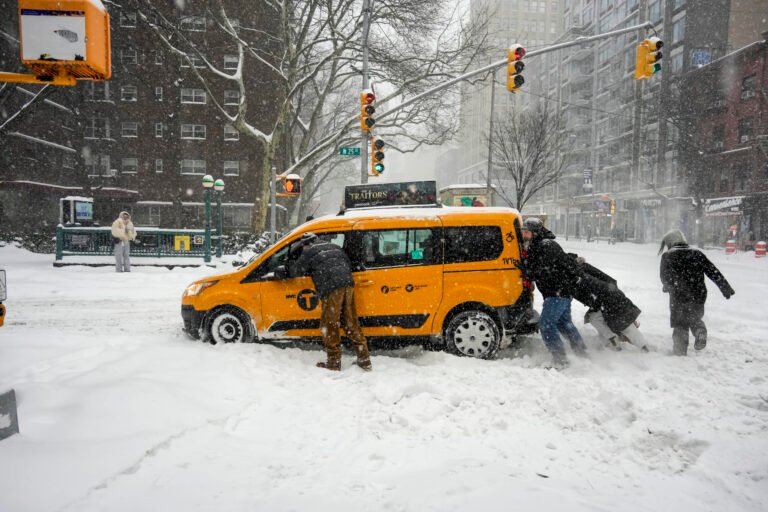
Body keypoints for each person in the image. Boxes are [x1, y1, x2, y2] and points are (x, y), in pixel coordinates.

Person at [291, 232, 372, 371]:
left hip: (331, 287)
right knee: (350, 321)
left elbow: (295, 271)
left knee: (329, 323)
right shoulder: (334, 246)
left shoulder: (309, 251)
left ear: (306, 244)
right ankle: (364, 359)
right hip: (348, 284)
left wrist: (293, 263)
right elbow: (347, 262)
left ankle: (333, 362)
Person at [521, 218, 588, 368]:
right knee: (564, 324)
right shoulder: (539, 244)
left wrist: (525, 270)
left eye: (527, 232)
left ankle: (561, 360)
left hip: (557, 292)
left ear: (535, 233)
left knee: (546, 324)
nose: (524, 235)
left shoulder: (545, 246)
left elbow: (542, 271)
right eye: (523, 232)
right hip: (561, 291)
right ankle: (582, 355)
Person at [659, 229, 735, 356]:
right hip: (698, 293)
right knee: (693, 316)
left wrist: (667, 286)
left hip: (678, 294)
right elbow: (712, 271)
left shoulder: (668, 256)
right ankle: (699, 330)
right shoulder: (696, 253)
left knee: (680, 322)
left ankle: (679, 352)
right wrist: (725, 288)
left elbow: (664, 277)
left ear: (670, 243)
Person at [567, 253, 648, 352]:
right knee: (623, 322)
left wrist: (600, 299)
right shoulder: (581, 269)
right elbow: (608, 281)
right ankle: (642, 346)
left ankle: (613, 340)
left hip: (606, 297)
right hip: (610, 295)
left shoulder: (576, 274)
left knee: (603, 319)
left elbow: (593, 285)